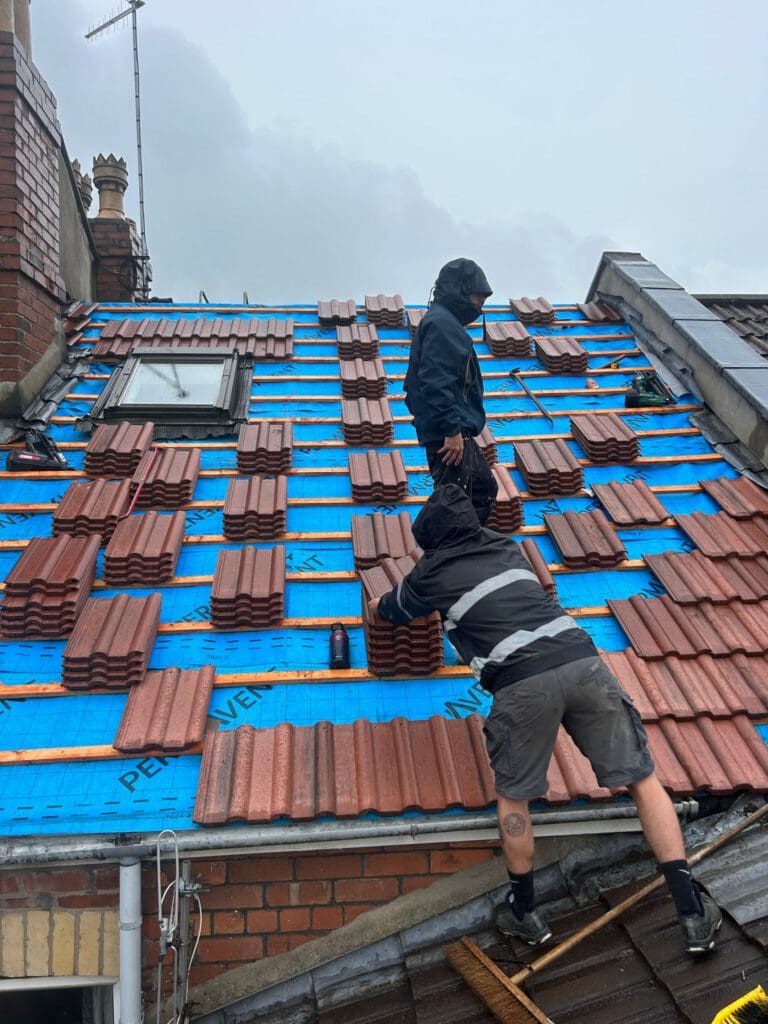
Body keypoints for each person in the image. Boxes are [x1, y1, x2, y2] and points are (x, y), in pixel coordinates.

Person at [368, 484, 722, 955]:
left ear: (430, 541)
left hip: (521, 683)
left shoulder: (429, 574)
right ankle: (693, 912)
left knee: (514, 798)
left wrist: (372, 605)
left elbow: (392, 610)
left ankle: (525, 913)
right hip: (582, 660)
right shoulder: (507, 546)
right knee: (642, 780)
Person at [405, 258, 498, 524]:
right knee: (455, 507)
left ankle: (464, 553)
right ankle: (448, 557)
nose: (480, 304)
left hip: (452, 432)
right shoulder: (443, 325)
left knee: (481, 491)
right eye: (478, 296)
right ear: (461, 291)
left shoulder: (444, 322)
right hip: (447, 436)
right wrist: (451, 430)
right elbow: (436, 381)